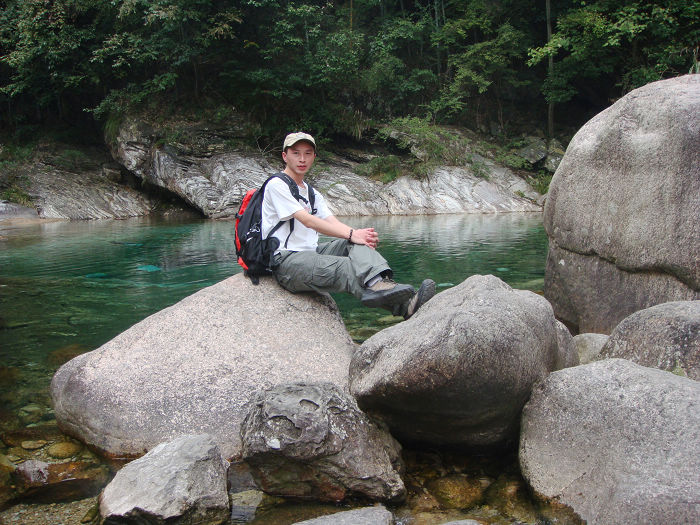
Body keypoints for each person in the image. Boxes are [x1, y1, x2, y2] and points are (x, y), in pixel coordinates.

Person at [262, 131, 435, 319]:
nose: (302, 159)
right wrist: (352, 233)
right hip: (285, 261)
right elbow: (308, 220)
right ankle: (398, 301)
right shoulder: (277, 184)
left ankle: (383, 287)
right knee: (347, 267)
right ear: (285, 156)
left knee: (357, 244)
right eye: (296, 153)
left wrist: (358, 235)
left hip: (311, 253)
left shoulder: (311, 193)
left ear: (314, 157)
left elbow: (331, 222)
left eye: (308, 153)